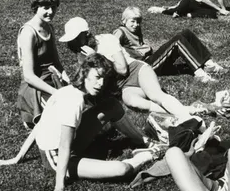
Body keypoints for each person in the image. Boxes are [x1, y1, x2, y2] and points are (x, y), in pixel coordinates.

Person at [37, 54, 164, 191]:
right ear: (84, 72)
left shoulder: (69, 90)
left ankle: (144, 140)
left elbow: (40, 124)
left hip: (67, 143)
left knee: (112, 105)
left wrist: (18, 157)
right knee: (122, 169)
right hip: (57, 157)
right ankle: (147, 155)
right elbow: (64, 146)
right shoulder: (74, 102)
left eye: (104, 78)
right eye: (97, 77)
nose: (101, 83)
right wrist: (59, 187)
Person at [60, 17, 203, 117]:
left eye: (76, 38)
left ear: (87, 34)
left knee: (155, 95)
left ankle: (187, 117)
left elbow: (123, 69)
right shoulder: (82, 53)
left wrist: (96, 56)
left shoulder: (107, 40)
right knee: (132, 101)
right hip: (123, 86)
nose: (73, 44)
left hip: (136, 70)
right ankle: (186, 111)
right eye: (71, 41)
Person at [113, 6, 224, 83]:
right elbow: (111, 47)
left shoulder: (136, 30)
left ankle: (209, 64)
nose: (136, 24)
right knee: (178, 41)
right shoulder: (120, 31)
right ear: (124, 21)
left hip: (152, 58)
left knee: (186, 33)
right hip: (146, 65)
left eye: (138, 21)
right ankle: (199, 74)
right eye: (132, 21)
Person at [17, 0, 69, 128]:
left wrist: (68, 82)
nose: (51, 12)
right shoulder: (29, 32)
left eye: (54, 7)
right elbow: (28, 76)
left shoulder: (49, 27)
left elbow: (56, 62)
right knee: (62, 122)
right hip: (35, 87)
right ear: (36, 7)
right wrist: (55, 93)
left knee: (77, 108)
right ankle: (31, 113)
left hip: (53, 80)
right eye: (46, 8)